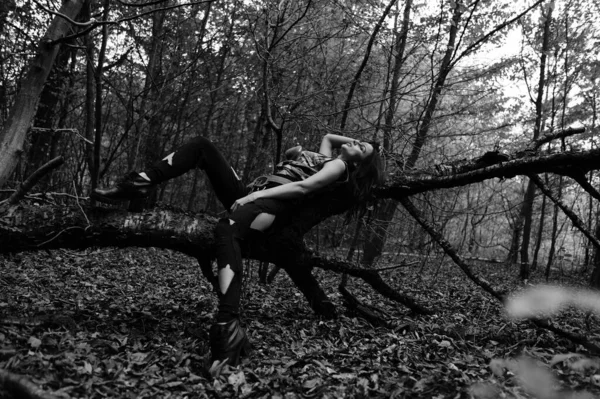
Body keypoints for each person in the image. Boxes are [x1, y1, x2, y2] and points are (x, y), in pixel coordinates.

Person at [92, 133, 384, 367]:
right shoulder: (326, 154)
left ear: (359, 165)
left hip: (273, 204)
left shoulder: (340, 166)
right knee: (201, 146)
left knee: (227, 229)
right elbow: (330, 136)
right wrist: (361, 146)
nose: (355, 142)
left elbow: (303, 188)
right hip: (254, 193)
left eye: (361, 148)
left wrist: (257, 194)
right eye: (358, 140)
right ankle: (139, 183)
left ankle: (228, 323)